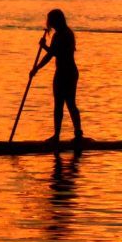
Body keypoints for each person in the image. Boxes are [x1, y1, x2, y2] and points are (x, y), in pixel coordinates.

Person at [30, 9, 83, 142]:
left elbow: (57, 53)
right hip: (60, 72)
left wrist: (44, 47)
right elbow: (50, 55)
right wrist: (37, 68)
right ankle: (56, 135)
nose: (50, 24)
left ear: (57, 20)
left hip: (69, 73)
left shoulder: (66, 34)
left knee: (70, 103)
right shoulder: (57, 35)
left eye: (51, 21)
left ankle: (78, 134)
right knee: (58, 105)